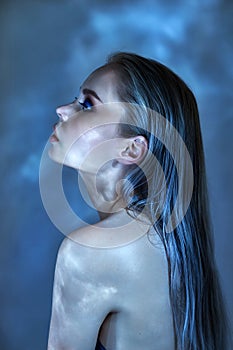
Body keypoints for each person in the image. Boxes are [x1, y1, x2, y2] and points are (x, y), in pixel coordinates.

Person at [47, 52, 229, 350]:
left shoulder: (89, 252)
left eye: (88, 104)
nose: (62, 110)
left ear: (131, 149)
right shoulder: (171, 244)